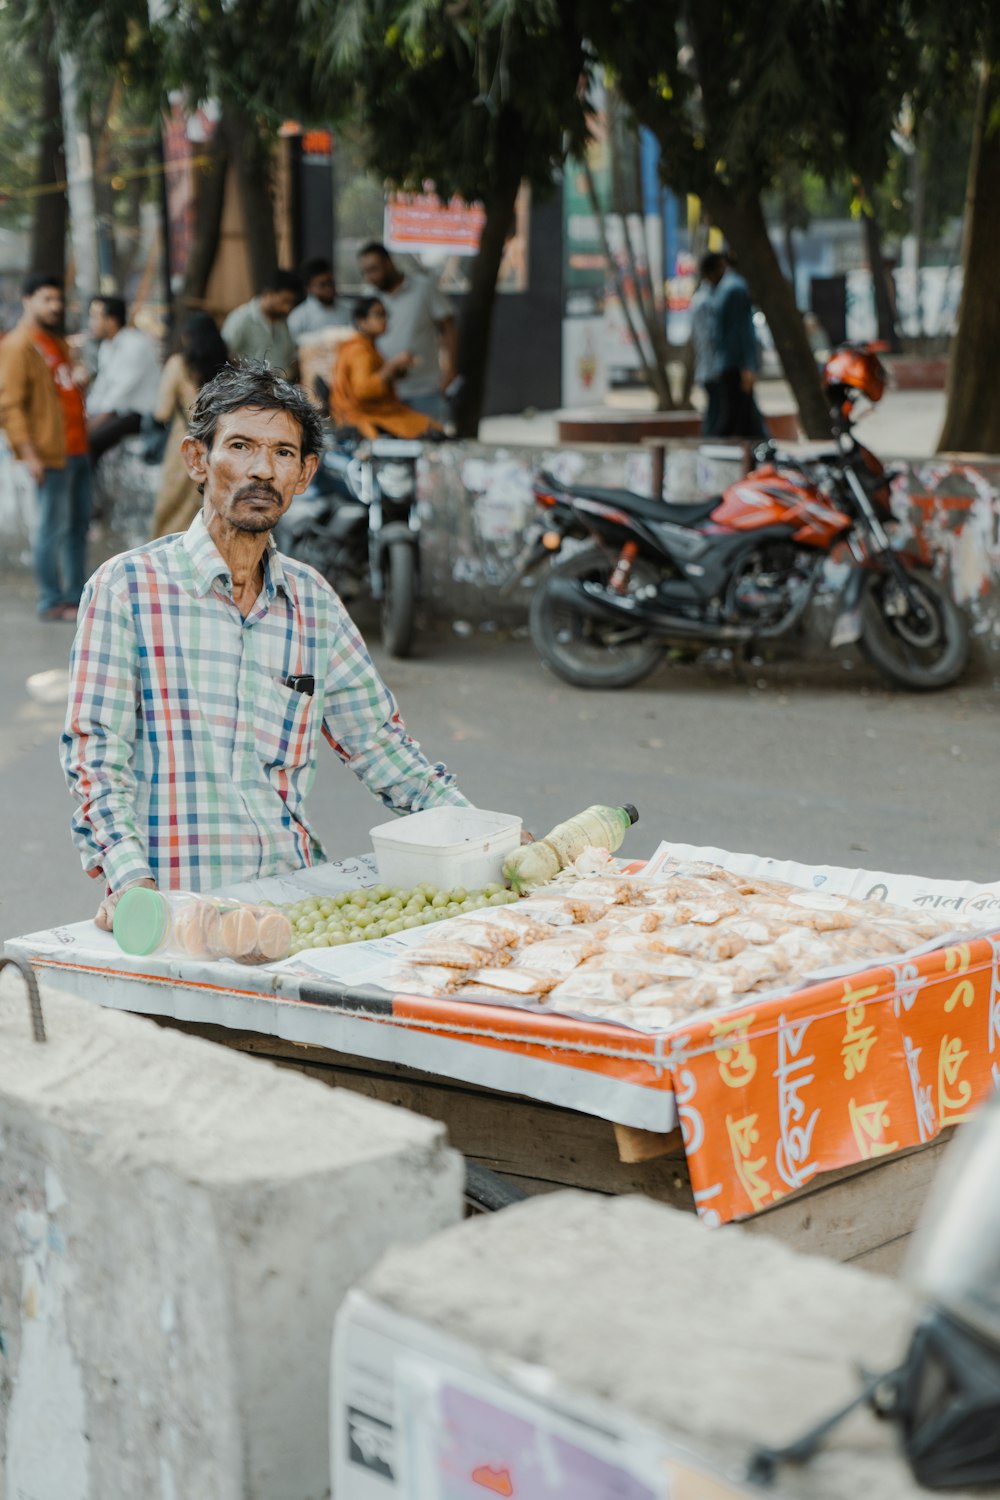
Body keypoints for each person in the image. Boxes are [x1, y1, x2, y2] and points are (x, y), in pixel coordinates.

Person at [61, 362, 470, 930]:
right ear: (197, 460)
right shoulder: (126, 588)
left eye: (282, 453)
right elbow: (96, 756)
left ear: (305, 474)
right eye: (241, 446)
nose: (262, 470)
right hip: (175, 910)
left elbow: (381, 746)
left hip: (292, 906)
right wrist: (132, 883)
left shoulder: (313, 602)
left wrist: (479, 832)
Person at [0, 271, 92, 620]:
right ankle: (51, 600)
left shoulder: (55, 343)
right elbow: (9, 405)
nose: (55, 306)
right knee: (52, 529)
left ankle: (75, 596)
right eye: (47, 299)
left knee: (78, 527)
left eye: (58, 300)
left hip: (78, 449)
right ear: (28, 301)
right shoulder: (16, 345)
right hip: (50, 453)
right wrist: (28, 452)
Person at [149, 311, 231, 538]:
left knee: (172, 506)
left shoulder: (179, 364)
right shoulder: (228, 366)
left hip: (185, 443)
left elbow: (162, 411)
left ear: (187, 337)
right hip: (219, 443)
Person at [357, 242, 457, 424]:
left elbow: (448, 327)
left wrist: (450, 371)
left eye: (373, 269)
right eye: (364, 272)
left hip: (425, 390)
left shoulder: (424, 288)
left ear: (388, 263)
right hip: (386, 394)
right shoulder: (369, 298)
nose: (369, 277)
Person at [330, 297, 443, 440]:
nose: (384, 320)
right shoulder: (359, 351)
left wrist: (396, 372)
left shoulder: (367, 346)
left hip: (377, 411)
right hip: (365, 414)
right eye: (379, 314)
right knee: (430, 426)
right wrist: (392, 365)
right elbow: (364, 390)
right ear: (361, 320)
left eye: (385, 314)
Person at [86, 295, 163, 461]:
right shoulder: (107, 346)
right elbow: (102, 388)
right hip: (119, 413)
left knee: (89, 442)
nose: (91, 323)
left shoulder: (134, 345)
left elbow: (118, 395)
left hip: (140, 415)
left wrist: (90, 425)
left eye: (95, 317)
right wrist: (88, 414)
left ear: (111, 320)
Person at [712, 253, 768, 439]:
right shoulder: (736, 288)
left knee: (741, 417)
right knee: (736, 417)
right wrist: (747, 366)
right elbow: (742, 331)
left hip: (728, 362)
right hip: (736, 365)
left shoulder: (725, 287)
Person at [221, 270, 300, 376]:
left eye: (291, 303)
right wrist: (254, 375)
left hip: (281, 388)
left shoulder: (284, 322)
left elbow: (291, 357)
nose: (287, 308)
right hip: (249, 389)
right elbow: (225, 354)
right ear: (269, 293)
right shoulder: (241, 318)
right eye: (284, 301)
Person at [690, 255, 724, 436]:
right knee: (714, 413)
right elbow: (708, 338)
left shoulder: (710, 297)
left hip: (712, 368)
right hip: (711, 369)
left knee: (716, 412)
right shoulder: (704, 301)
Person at [287, 257, 350, 343]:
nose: (329, 288)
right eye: (322, 285)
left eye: (330, 282)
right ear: (309, 288)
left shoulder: (348, 310)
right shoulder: (298, 318)